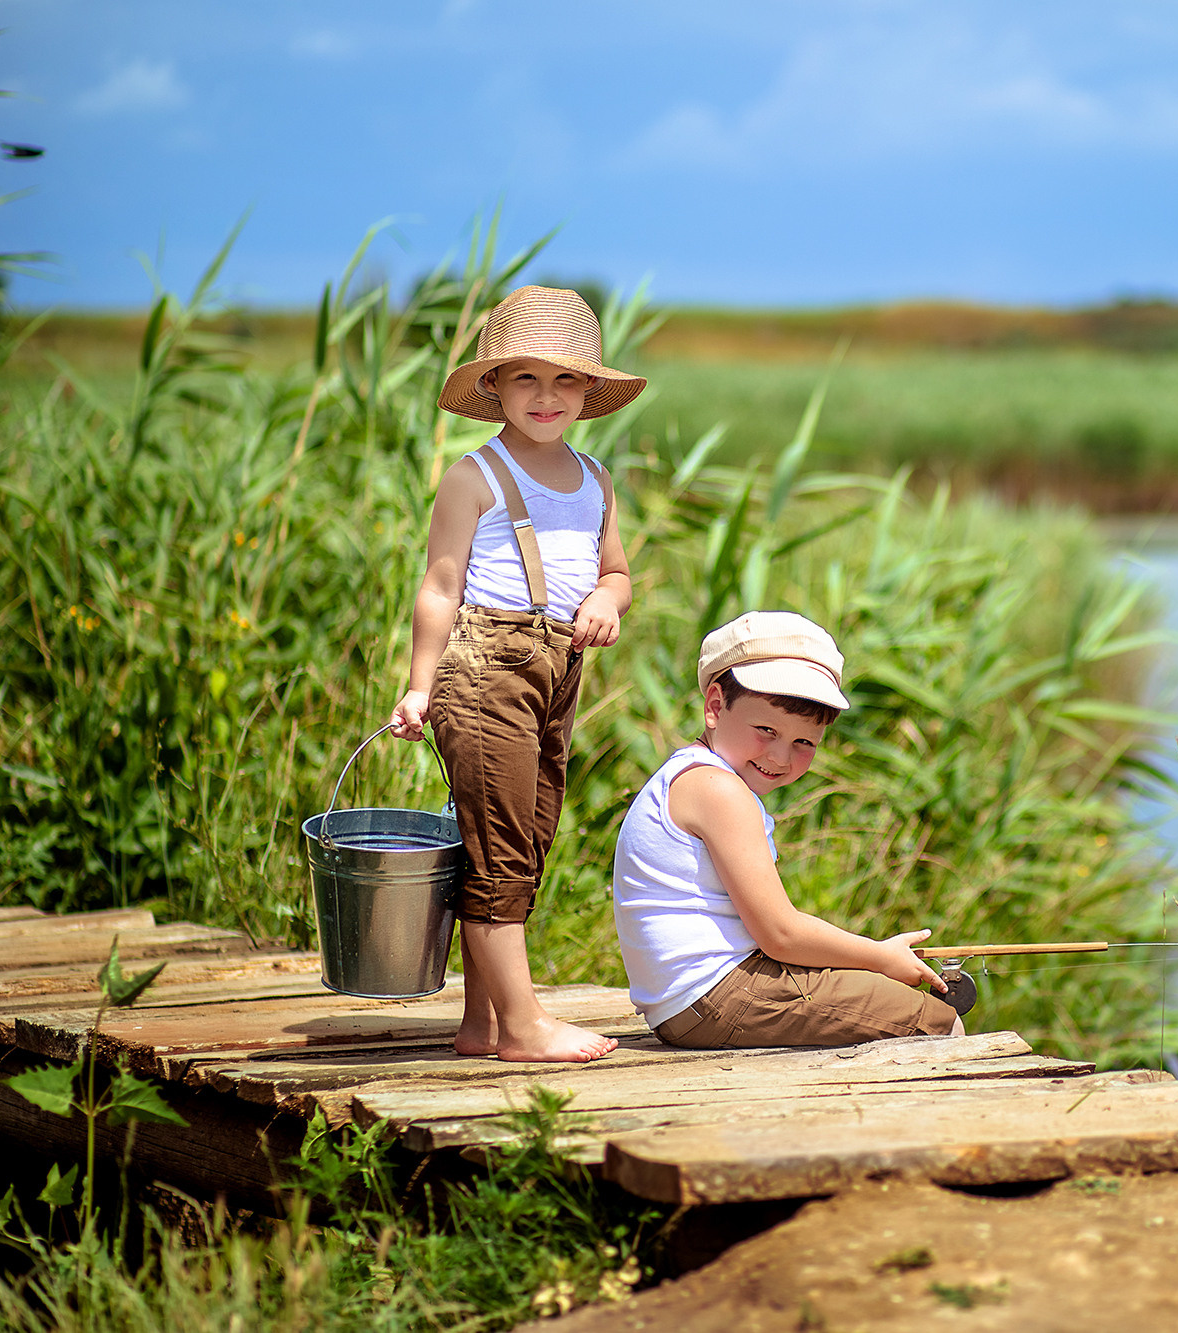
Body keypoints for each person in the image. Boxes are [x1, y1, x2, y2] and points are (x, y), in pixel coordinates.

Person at [387, 285, 645, 1063]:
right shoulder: (477, 475)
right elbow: (438, 587)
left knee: (524, 838)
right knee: (499, 844)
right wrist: (419, 685)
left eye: (566, 379)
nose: (546, 396)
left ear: (590, 391)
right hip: (483, 668)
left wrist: (606, 598)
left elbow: (619, 573)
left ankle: (483, 1023)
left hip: (555, 670)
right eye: (526, 377)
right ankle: (525, 1027)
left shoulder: (595, 477)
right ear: (493, 384)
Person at [613, 610, 963, 1047]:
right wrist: (880, 957)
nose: (780, 757)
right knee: (939, 1021)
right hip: (719, 995)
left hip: (689, 1003)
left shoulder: (687, 774)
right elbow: (781, 934)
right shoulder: (719, 791)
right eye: (766, 730)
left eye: (804, 742)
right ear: (716, 706)